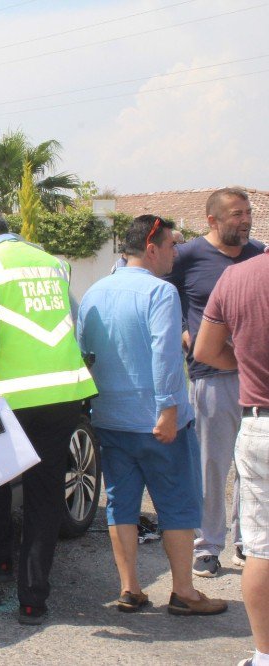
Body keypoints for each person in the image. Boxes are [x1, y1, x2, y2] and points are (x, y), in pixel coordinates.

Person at [78, 215, 228, 617]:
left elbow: (84, 353)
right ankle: (184, 592)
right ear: (151, 247)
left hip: (109, 416)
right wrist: (167, 408)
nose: (175, 254)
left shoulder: (94, 292)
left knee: (121, 504)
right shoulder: (160, 293)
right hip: (158, 420)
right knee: (177, 504)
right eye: (171, 246)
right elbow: (165, 353)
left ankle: (130, 588)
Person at [0, 205, 97, 625]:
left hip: (9, 397)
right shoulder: (52, 262)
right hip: (61, 394)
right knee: (43, 494)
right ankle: (33, 600)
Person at [166, 187, 266, 577]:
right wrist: (182, 330)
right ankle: (207, 545)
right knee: (213, 463)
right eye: (236, 215)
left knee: (252, 464)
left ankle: (248, 540)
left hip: (256, 376)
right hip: (212, 375)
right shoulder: (188, 256)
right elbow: (165, 294)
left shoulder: (257, 254)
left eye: (247, 213)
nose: (244, 221)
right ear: (212, 220)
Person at [194, 250, 269, 666]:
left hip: (259, 421)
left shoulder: (237, 278)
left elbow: (205, 349)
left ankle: (264, 654)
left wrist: (248, 367)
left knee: (261, 548)